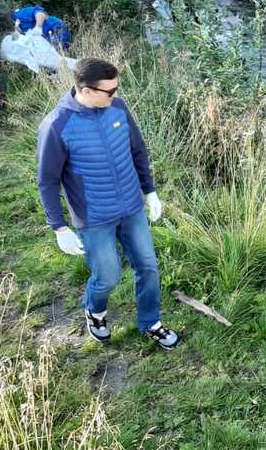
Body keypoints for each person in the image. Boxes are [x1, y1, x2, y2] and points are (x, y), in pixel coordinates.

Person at [37, 58, 180, 350]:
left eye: (117, 88)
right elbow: (47, 181)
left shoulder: (118, 107)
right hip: (94, 217)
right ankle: (95, 309)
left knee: (148, 267)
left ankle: (150, 322)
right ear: (87, 91)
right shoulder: (57, 125)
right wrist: (59, 227)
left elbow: (138, 150)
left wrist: (149, 191)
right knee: (108, 275)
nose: (116, 95)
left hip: (131, 207)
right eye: (110, 90)